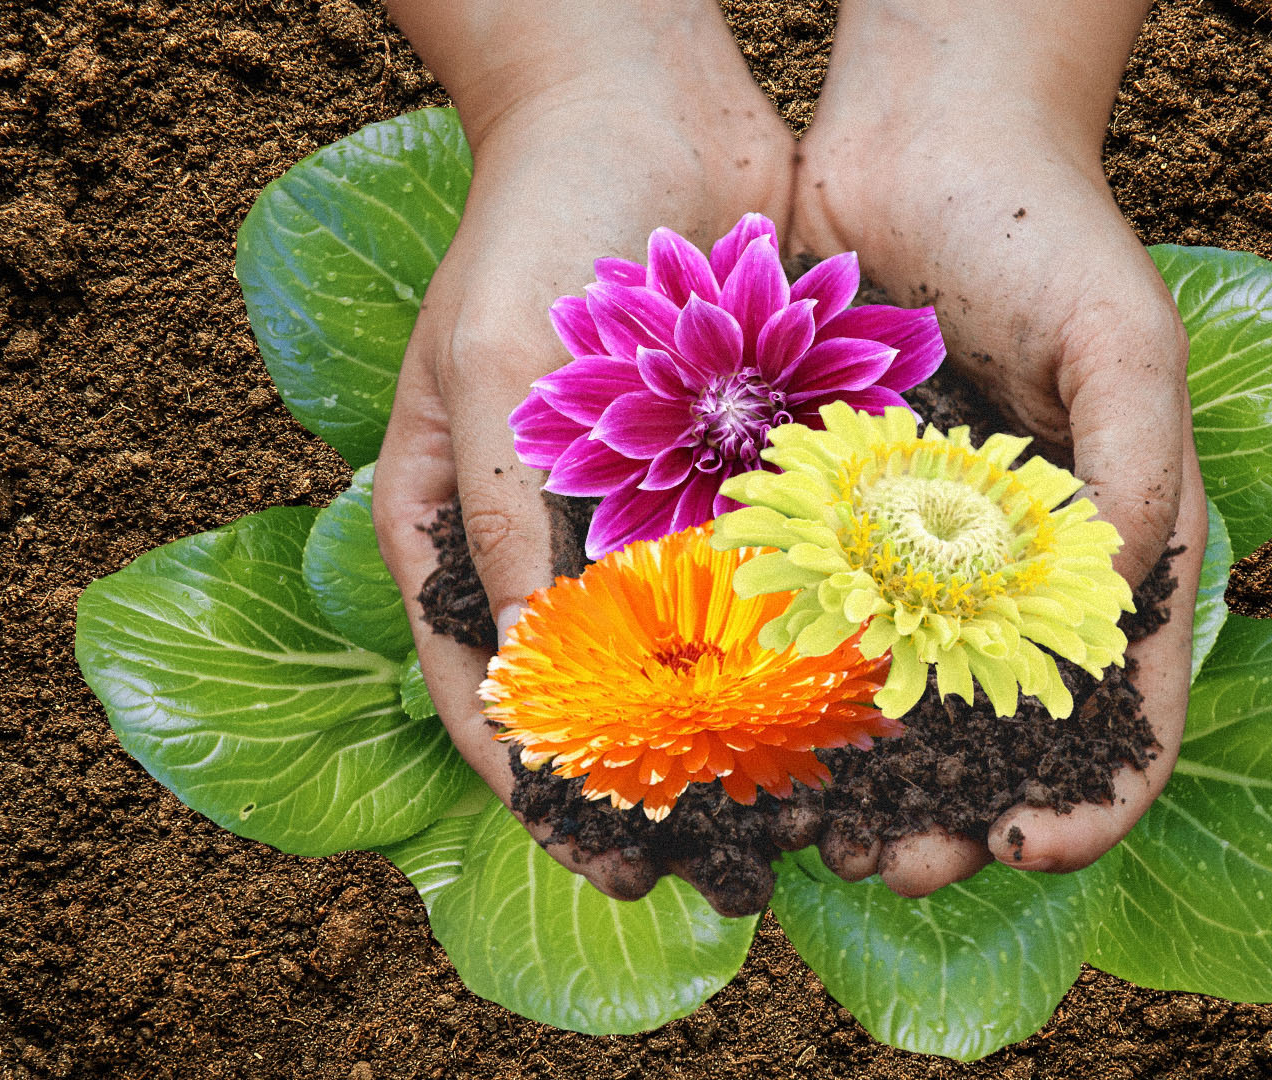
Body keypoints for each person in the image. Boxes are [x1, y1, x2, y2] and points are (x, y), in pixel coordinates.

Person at [372, 0, 1204, 909]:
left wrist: (991, 102)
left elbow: (871, 425)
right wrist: (565, 87)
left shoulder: (861, 443)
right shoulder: (695, 504)